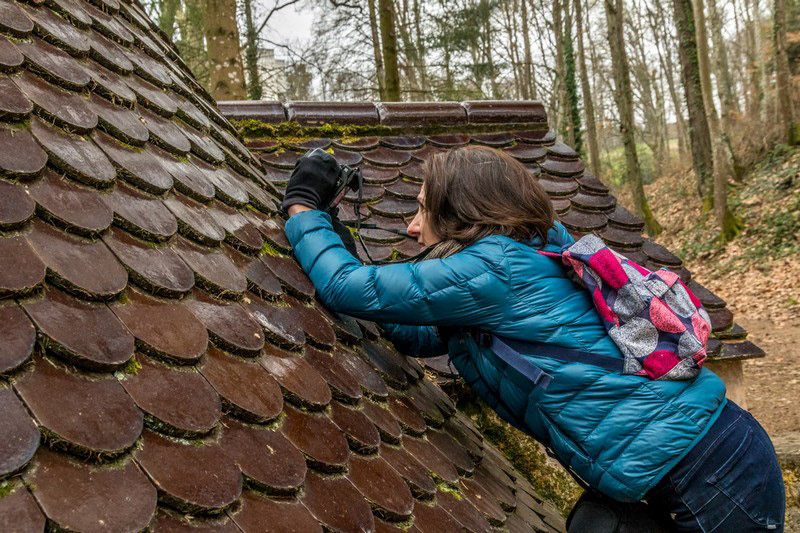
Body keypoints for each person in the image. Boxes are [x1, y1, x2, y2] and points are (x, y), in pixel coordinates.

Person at [281, 146, 785, 532]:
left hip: (714, 471)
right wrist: (336, 240)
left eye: (422, 210)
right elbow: (419, 334)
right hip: (710, 461)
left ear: (461, 213)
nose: (413, 229)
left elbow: (346, 287)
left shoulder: (493, 269)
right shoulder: (519, 260)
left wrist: (304, 207)